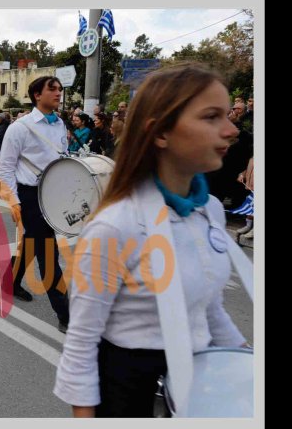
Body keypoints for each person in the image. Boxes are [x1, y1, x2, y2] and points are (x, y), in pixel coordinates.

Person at [53, 64, 247, 417]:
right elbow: (82, 340)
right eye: (211, 117)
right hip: (132, 394)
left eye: (227, 115)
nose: (231, 130)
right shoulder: (115, 226)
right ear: (160, 133)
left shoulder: (210, 210)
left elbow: (208, 308)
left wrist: (244, 365)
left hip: (197, 385)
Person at [0, 76, 70, 332]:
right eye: (52, 89)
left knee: (33, 242)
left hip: (52, 193)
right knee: (48, 253)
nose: (58, 93)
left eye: (60, 89)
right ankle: (65, 314)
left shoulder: (60, 124)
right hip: (29, 196)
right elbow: (6, 168)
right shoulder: (20, 127)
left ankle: (10, 282)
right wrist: (14, 201)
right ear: (37, 95)